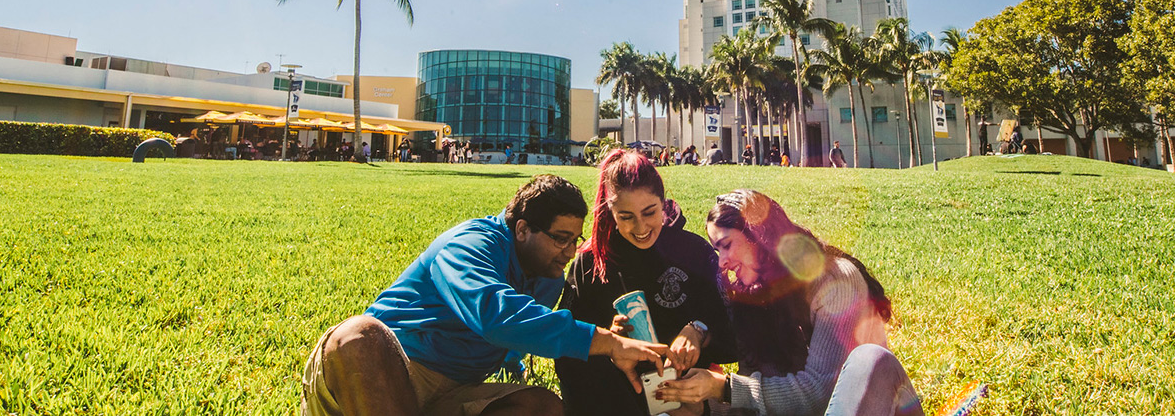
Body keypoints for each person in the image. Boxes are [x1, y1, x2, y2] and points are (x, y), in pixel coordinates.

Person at [300, 175, 670, 416]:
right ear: (522, 229)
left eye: (575, 239)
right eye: (560, 238)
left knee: (541, 408)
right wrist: (604, 342)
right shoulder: (469, 245)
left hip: (451, 395)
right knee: (359, 335)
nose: (570, 252)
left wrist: (515, 360)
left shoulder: (548, 277)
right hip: (380, 379)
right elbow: (496, 315)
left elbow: (521, 331)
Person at [655, 190, 924, 416]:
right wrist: (703, 407)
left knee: (871, 359)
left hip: (877, 405)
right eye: (717, 250)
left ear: (759, 237)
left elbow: (822, 392)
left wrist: (723, 388)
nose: (722, 261)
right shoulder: (751, 301)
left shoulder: (834, 279)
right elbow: (762, 399)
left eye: (727, 245)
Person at [556, 150, 736, 416]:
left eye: (649, 212)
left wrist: (699, 332)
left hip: (688, 403)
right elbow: (568, 350)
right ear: (610, 212)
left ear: (663, 204)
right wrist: (607, 340)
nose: (640, 228)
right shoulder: (591, 261)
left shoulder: (694, 252)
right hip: (618, 400)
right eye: (626, 217)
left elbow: (734, 336)